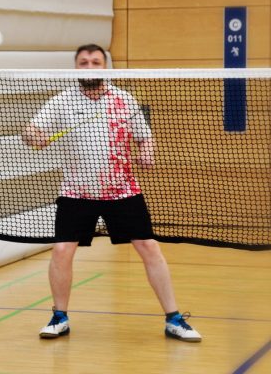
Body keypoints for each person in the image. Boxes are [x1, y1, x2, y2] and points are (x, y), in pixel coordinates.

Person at [22, 44, 201, 342]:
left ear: (105, 67)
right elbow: (30, 131)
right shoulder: (62, 102)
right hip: (77, 192)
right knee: (62, 250)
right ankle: (59, 316)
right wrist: (33, 136)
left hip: (122, 190)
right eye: (83, 62)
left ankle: (174, 319)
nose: (90, 67)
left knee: (148, 247)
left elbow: (145, 138)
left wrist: (147, 153)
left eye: (95, 62)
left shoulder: (123, 100)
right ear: (76, 68)